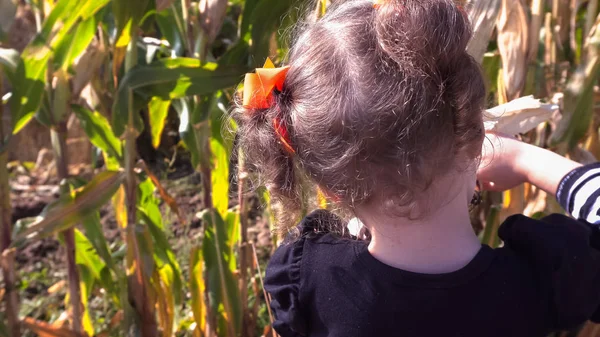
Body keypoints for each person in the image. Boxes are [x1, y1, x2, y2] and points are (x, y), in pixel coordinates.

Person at [232, 0, 600, 336]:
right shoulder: (545, 282)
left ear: (331, 189)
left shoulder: (307, 276)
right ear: (477, 137)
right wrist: (528, 159)